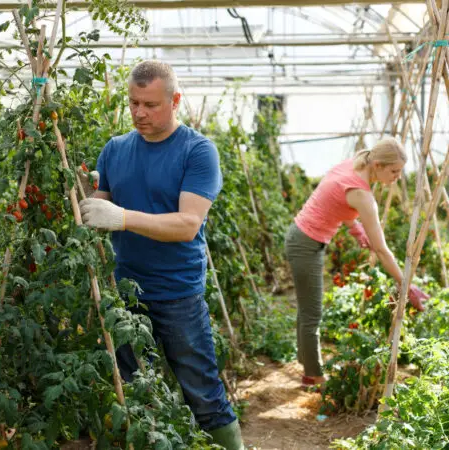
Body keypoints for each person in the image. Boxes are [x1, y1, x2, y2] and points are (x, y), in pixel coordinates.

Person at [78, 60, 244, 450]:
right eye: (134, 102)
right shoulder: (115, 149)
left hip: (177, 293)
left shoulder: (197, 152)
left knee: (202, 392)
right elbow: (95, 210)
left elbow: (188, 224)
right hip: (125, 293)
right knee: (134, 390)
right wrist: (85, 198)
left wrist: (120, 217)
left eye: (150, 105)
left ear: (175, 100)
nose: (139, 113)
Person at [284, 138, 429, 388]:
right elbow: (382, 251)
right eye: (394, 171)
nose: (397, 177)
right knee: (312, 314)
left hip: (302, 238)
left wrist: (355, 229)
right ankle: (313, 376)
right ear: (379, 165)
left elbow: (336, 197)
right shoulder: (362, 195)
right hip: (305, 244)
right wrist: (407, 285)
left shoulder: (355, 164)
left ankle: (306, 361)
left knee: (307, 310)